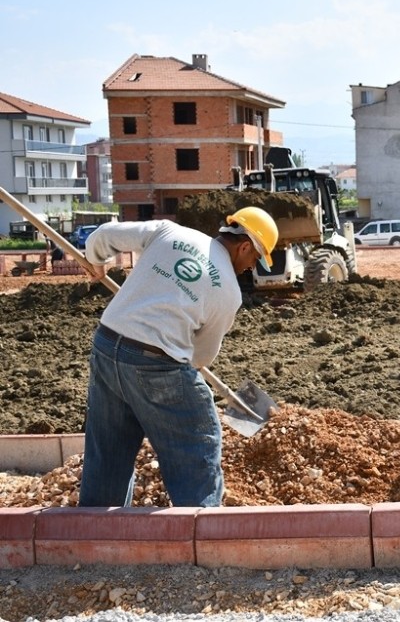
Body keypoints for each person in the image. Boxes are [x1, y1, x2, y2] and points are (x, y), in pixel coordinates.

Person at [78, 206, 279, 507]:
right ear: (245, 246)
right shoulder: (229, 293)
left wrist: (95, 261)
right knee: (197, 446)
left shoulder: (171, 232)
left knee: (108, 451)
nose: (252, 266)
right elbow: (201, 356)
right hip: (156, 364)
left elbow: (104, 235)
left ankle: (95, 538)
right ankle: (201, 532)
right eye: (255, 258)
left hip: (107, 346)